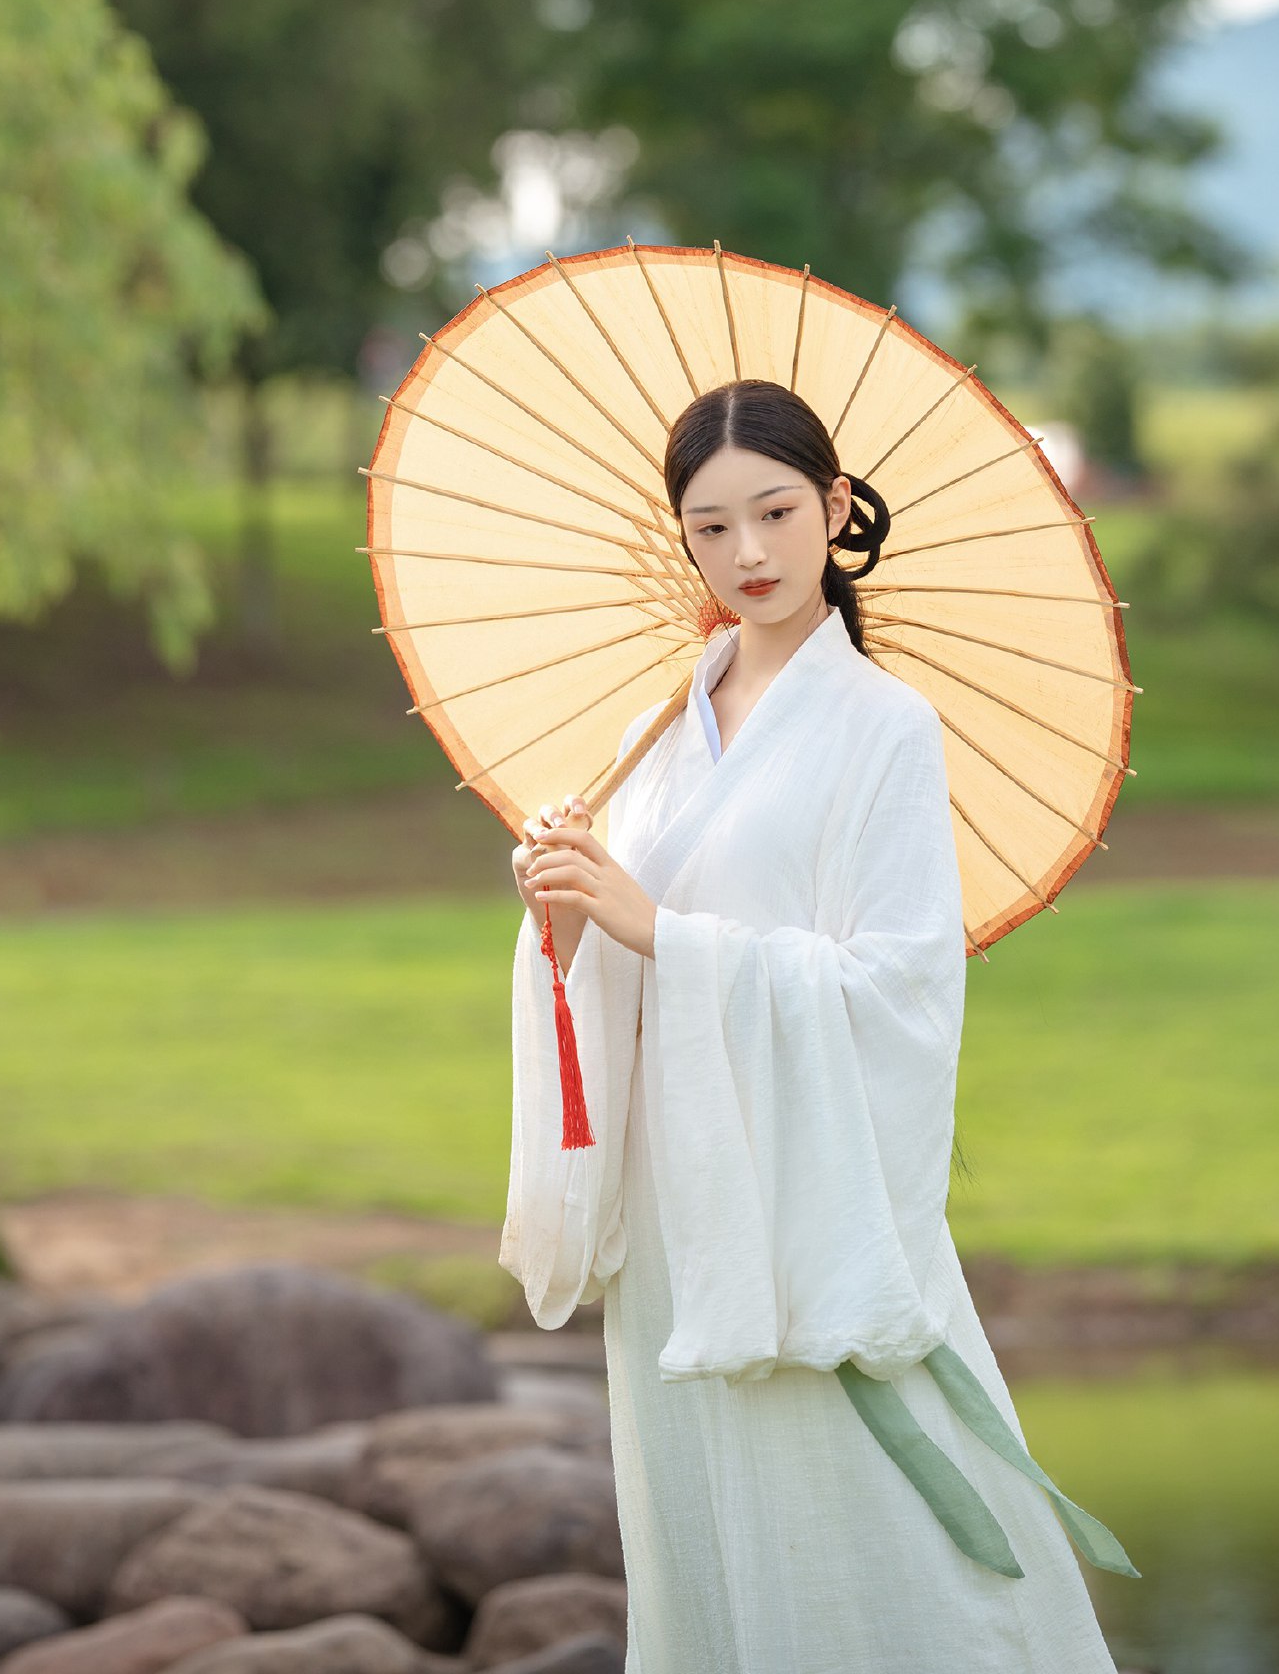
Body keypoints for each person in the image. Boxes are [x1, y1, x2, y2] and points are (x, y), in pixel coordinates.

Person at [498, 377, 1126, 1674]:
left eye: (777, 513)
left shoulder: (885, 728)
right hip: (686, 1199)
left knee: (868, 1534)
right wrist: (561, 914)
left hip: (805, 1201)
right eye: (712, 527)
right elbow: (607, 971)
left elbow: (895, 989)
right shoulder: (654, 737)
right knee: (705, 1540)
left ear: (836, 509)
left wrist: (656, 929)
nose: (750, 555)